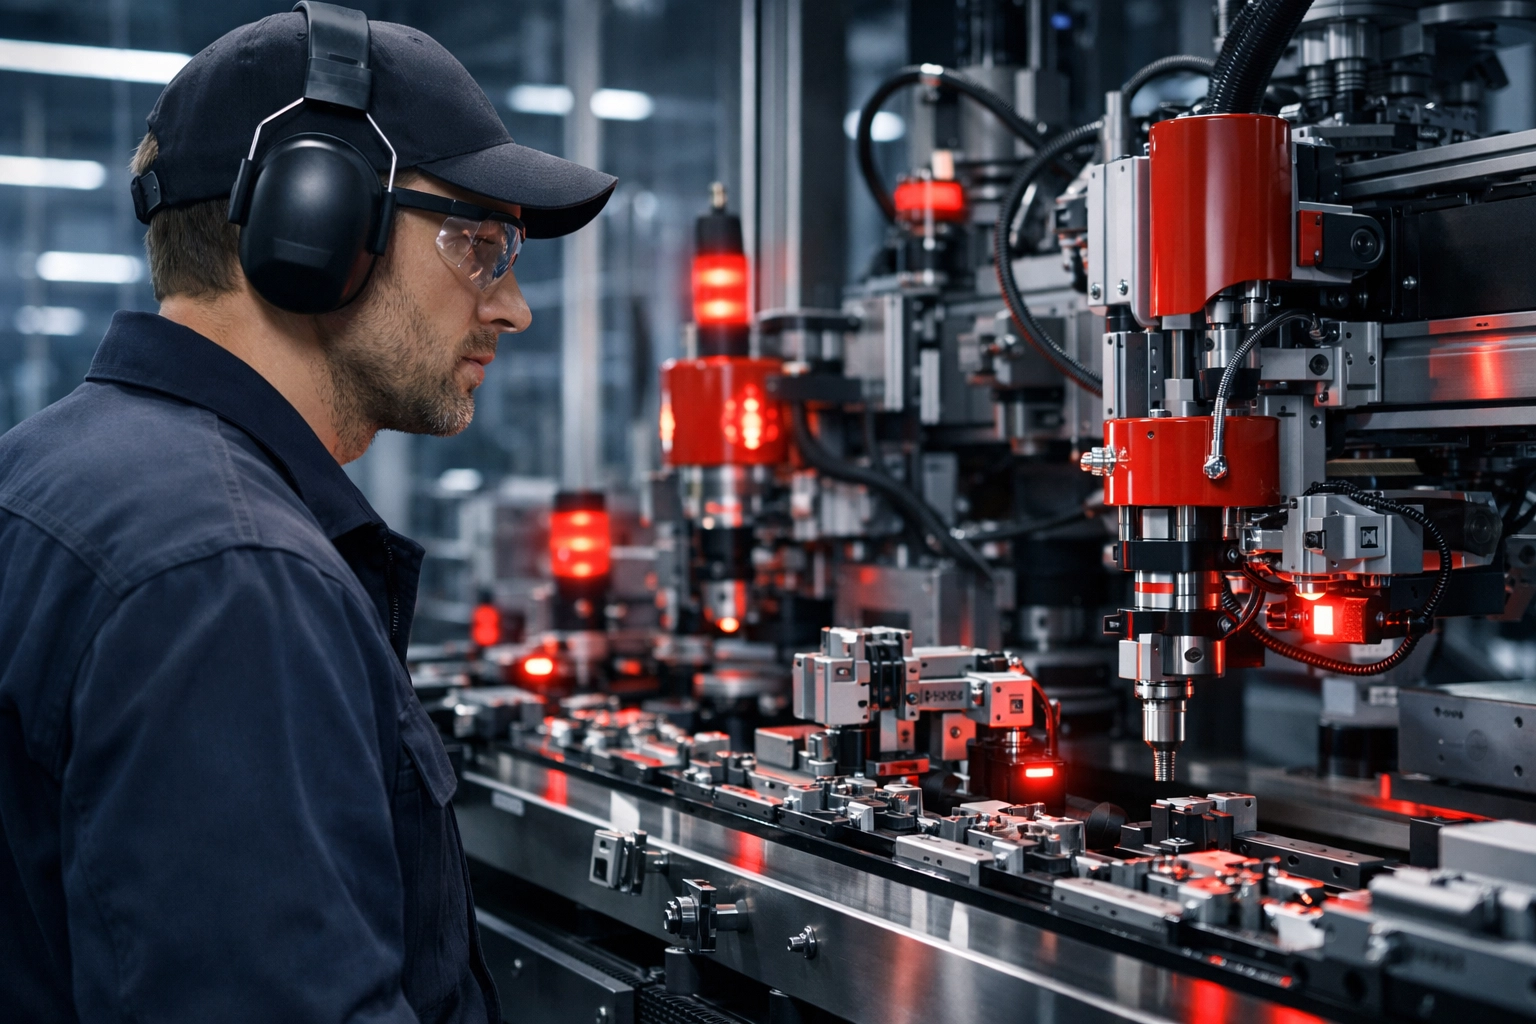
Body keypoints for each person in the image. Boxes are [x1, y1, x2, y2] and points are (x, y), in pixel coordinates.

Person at [0, 5, 614, 1022]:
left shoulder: (46, 469)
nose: (513, 308)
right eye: (478, 244)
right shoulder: (228, 579)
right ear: (313, 218)